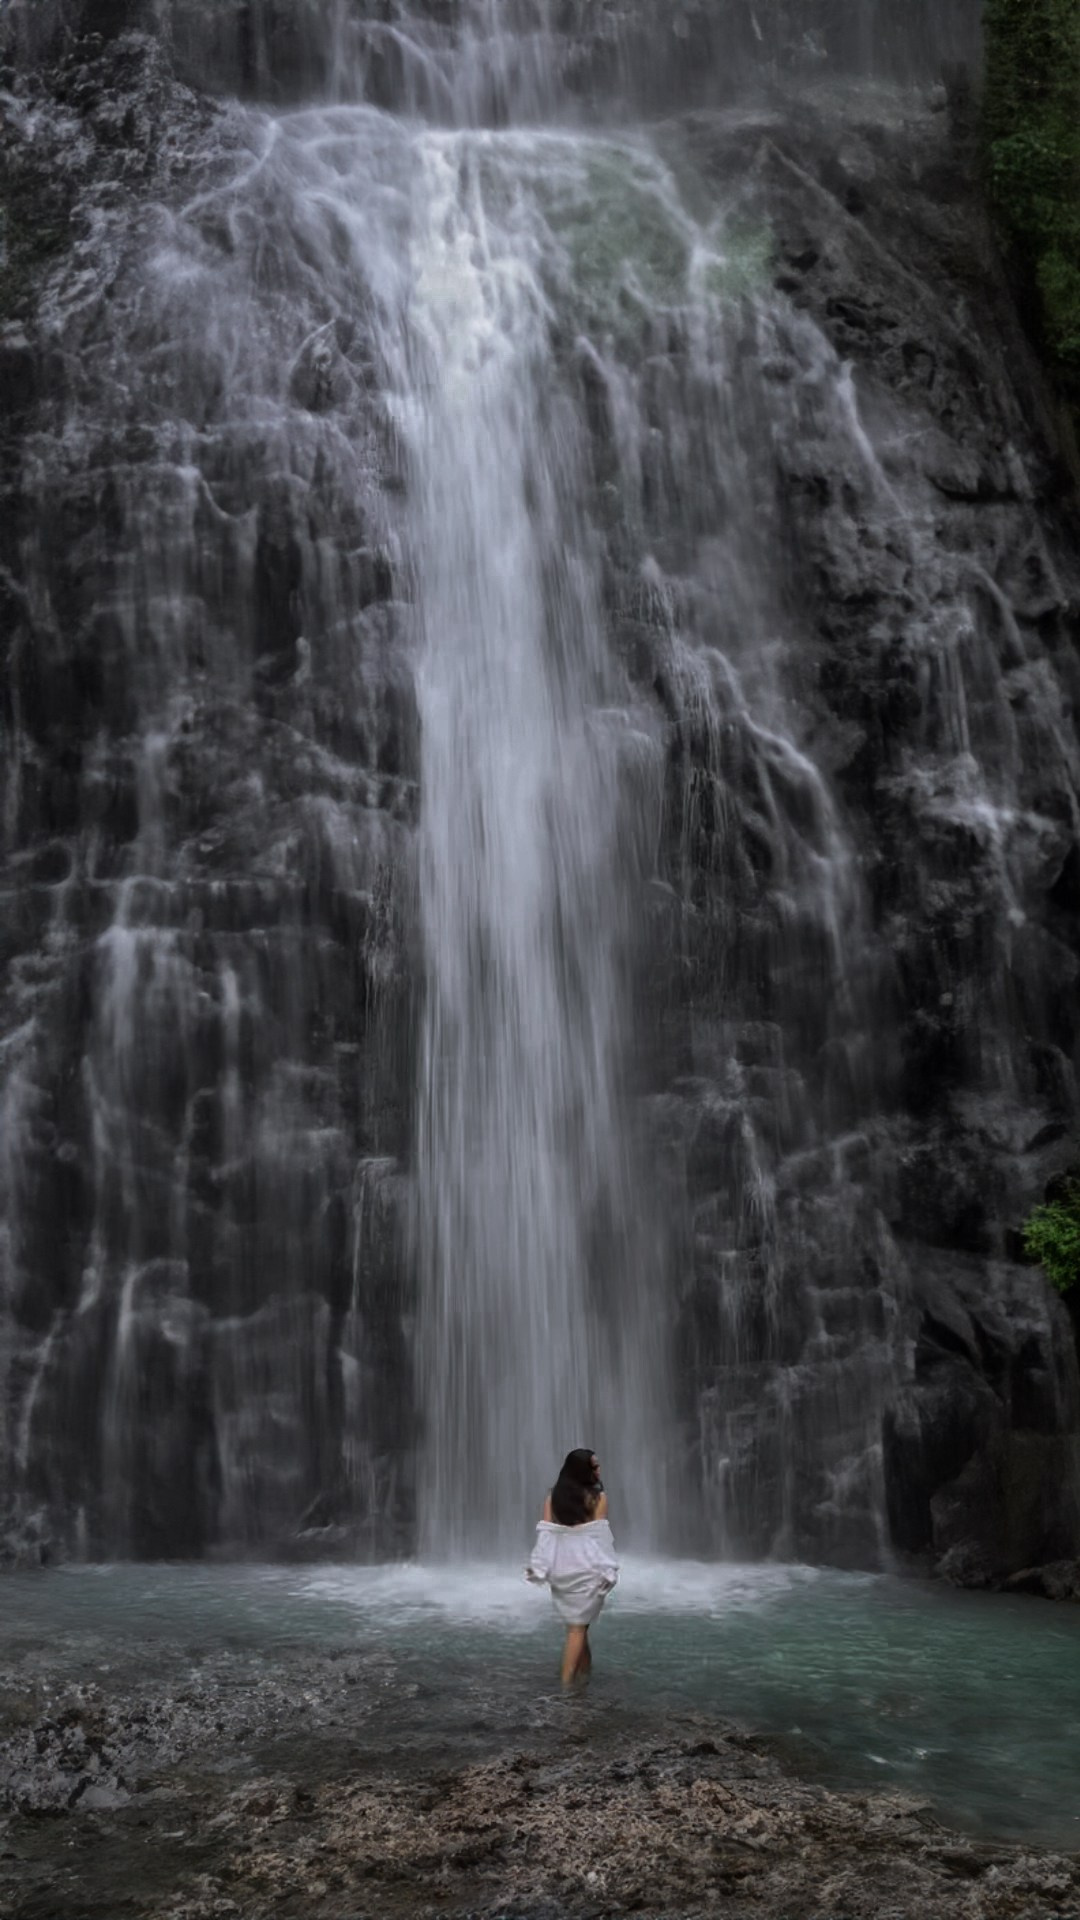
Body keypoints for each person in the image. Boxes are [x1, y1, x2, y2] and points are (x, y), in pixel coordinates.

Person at [525, 1448, 619, 1686]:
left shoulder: (552, 1497)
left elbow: (546, 1534)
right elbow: (599, 1537)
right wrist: (609, 1569)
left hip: (561, 1569)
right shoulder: (598, 1498)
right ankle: (566, 1688)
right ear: (582, 1470)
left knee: (579, 1625)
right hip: (587, 1568)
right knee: (577, 1629)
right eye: (593, 1466)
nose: (598, 1470)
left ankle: (584, 1678)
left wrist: (539, 1565)